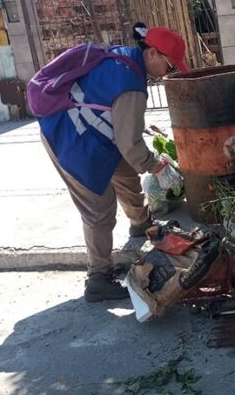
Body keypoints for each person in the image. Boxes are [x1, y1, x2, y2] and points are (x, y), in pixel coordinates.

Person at [37, 24, 190, 302]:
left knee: (126, 172)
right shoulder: (131, 82)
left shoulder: (125, 58)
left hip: (88, 133)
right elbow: (129, 144)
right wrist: (157, 166)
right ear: (153, 53)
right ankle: (98, 279)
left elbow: (116, 119)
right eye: (170, 65)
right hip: (70, 139)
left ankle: (141, 223)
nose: (171, 72)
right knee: (99, 209)